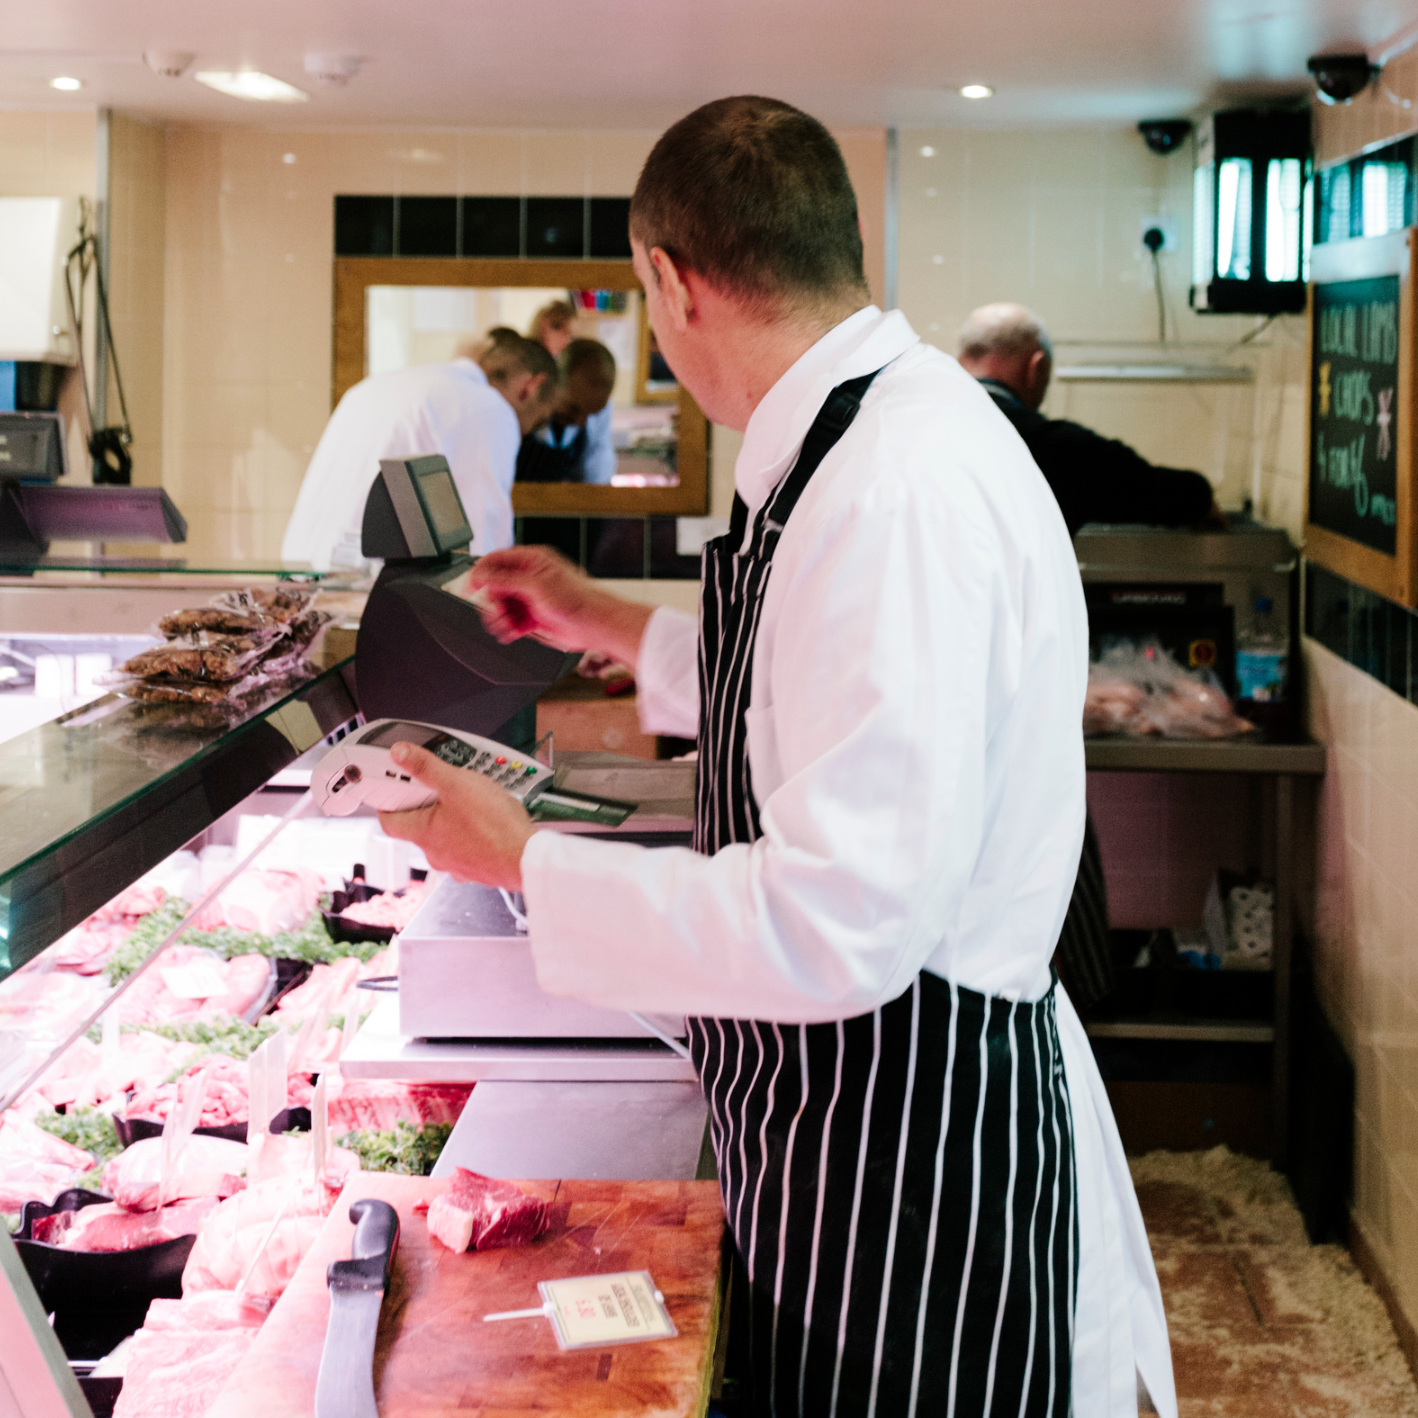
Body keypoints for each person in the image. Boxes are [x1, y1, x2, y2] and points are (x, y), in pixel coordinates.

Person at [379, 97, 1176, 1418]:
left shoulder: (893, 482)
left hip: (912, 1153)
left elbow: (841, 916)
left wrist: (522, 855)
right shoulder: (864, 437)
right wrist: (603, 615)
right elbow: (818, 683)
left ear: (670, 283)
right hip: (858, 1123)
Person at [281, 335, 556, 571]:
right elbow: (484, 535)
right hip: (359, 589)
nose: (528, 430)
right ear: (531, 387)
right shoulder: (488, 408)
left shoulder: (378, 385)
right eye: (539, 420)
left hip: (299, 574)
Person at [957, 302, 1219, 535]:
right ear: (1035, 369)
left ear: (961, 360)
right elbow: (1161, 493)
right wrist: (1202, 500)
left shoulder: (918, 425)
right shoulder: (1059, 449)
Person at [515, 338, 617, 484]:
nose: (581, 421)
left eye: (590, 414)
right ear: (552, 383)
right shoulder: (521, 402)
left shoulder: (600, 411)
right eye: (574, 409)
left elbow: (597, 474)